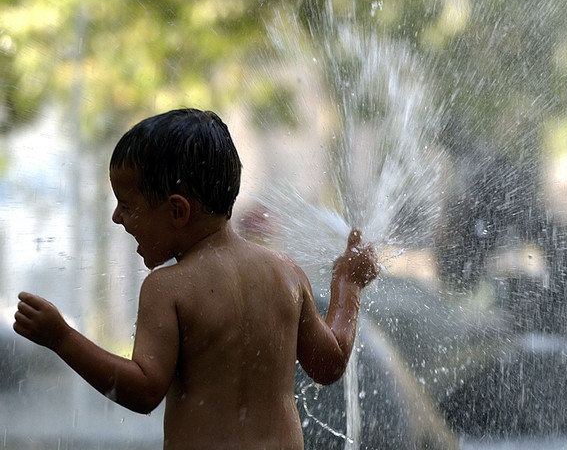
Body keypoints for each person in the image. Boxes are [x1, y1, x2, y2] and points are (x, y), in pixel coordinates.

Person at [13, 108, 379, 450]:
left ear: (177, 210)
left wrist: (61, 337)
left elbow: (142, 391)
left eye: (127, 206)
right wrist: (348, 283)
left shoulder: (168, 287)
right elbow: (329, 364)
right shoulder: (285, 273)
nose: (116, 218)